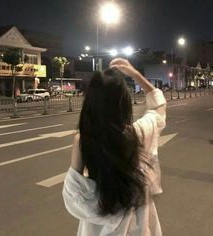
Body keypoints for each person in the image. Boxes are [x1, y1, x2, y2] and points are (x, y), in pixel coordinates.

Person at [62, 58, 167, 236]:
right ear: (123, 102)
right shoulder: (137, 133)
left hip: (97, 229)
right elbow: (159, 106)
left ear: (91, 101)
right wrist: (135, 74)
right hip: (137, 224)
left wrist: (103, 212)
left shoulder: (84, 140)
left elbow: (73, 194)